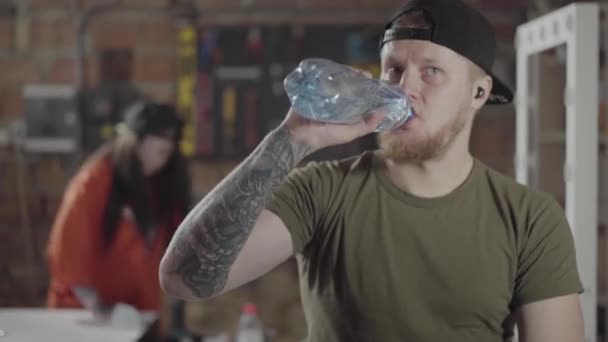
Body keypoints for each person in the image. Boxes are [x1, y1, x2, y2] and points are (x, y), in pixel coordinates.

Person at [159, 0, 585, 340]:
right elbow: (184, 279)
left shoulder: (530, 220)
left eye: (431, 71)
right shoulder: (322, 191)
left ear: (479, 90)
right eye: (394, 69)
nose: (404, 89)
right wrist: (291, 139)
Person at [47, 101, 191, 312]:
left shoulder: (160, 184)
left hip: (138, 314)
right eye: (160, 146)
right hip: (83, 315)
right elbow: (68, 251)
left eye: (169, 148)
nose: (165, 154)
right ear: (135, 142)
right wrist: (98, 309)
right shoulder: (93, 182)